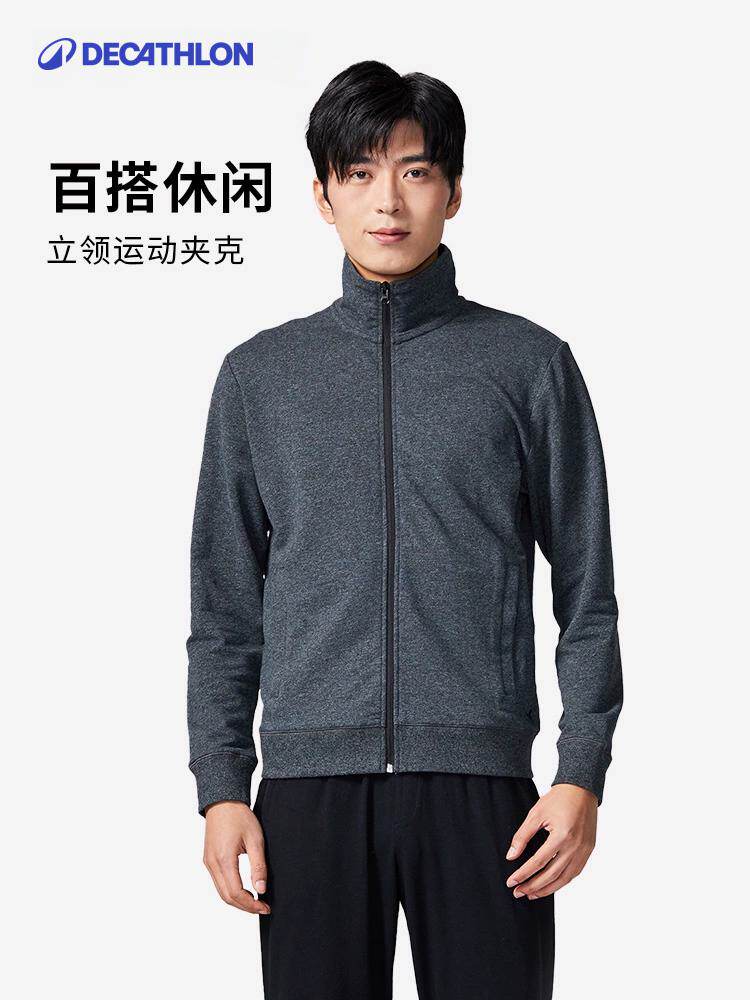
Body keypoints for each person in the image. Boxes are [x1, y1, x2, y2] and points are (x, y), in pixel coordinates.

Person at [186, 59, 623, 1000]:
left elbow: (588, 594)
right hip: (307, 792)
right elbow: (223, 612)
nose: (388, 200)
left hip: (484, 790)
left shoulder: (529, 366)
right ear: (322, 195)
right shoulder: (260, 377)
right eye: (359, 173)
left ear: (453, 192)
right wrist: (222, 785)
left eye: (416, 171)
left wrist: (580, 773)